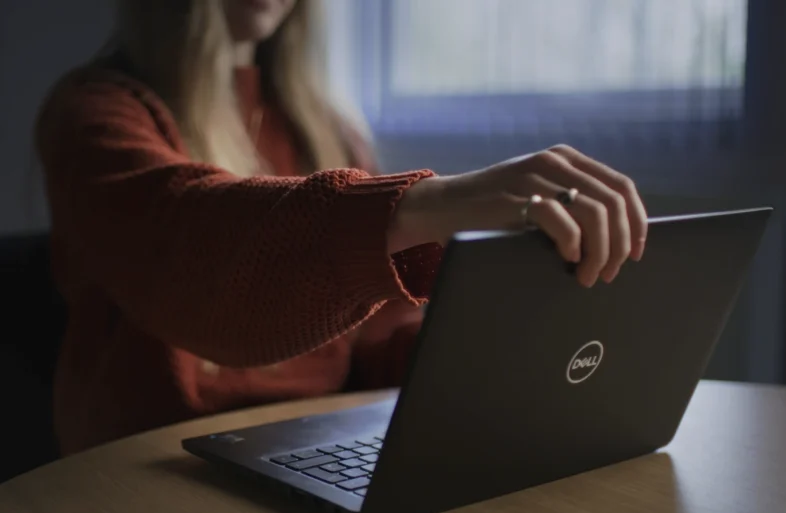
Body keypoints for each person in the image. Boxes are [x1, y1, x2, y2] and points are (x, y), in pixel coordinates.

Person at [35, 0, 648, 455]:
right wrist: (432, 204)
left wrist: (502, 352)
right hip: (144, 468)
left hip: (310, 449)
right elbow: (195, 248)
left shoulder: (324, 127)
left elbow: (379, 339)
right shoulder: (95, 115)